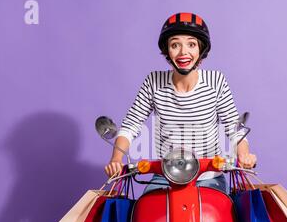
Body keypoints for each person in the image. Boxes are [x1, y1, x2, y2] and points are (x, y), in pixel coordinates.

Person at [105, 12, 257, 193]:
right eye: (175, 44)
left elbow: (234, 127)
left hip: (208, 177)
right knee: (144, 215)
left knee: (222, 217)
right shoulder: (154, 81)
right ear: (167, 50)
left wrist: (244, 154)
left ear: (201, 49)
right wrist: (116, 159)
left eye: (191, 44)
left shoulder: (216, 81)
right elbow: (131, 125)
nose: (183, 52)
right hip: (165, 177)